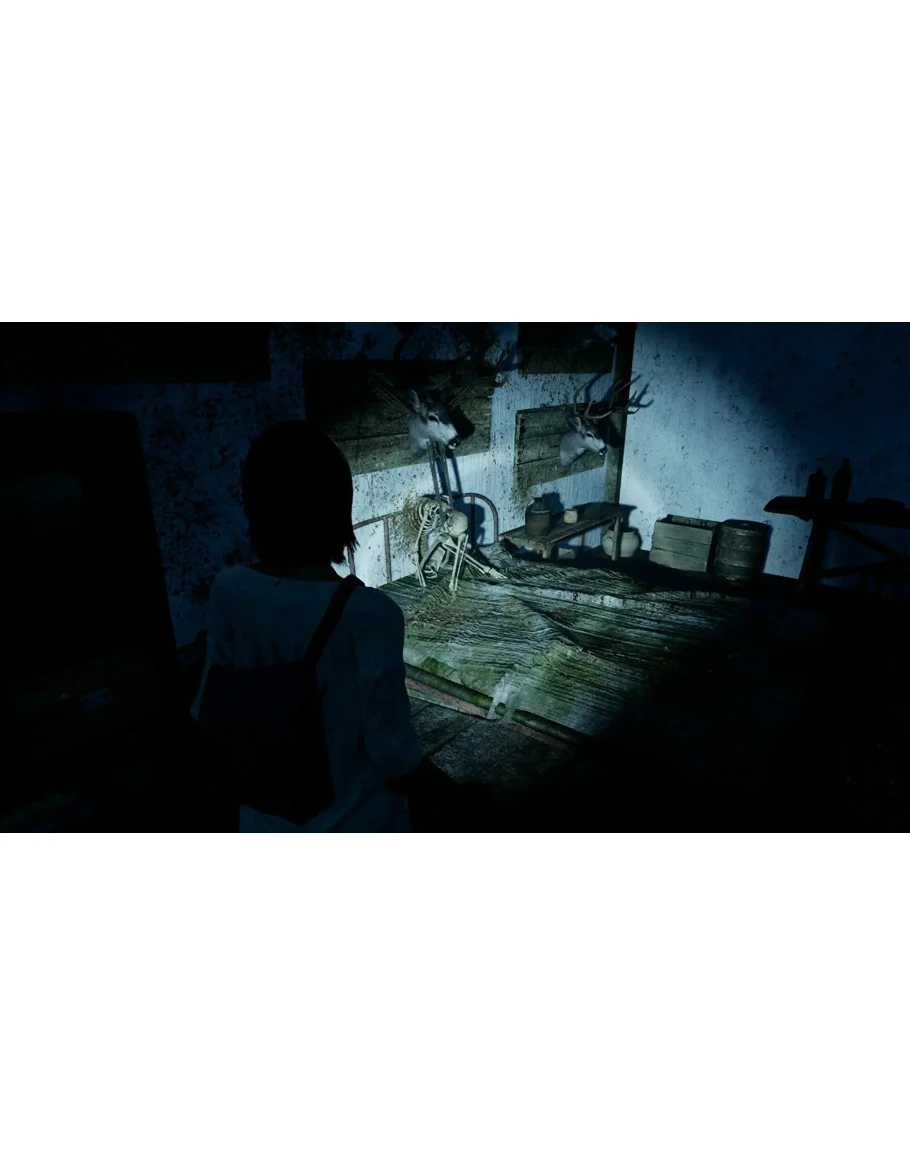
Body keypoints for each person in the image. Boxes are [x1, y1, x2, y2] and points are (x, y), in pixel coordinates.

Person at [190, 420, 425, 832]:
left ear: (254, 507)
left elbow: (205, 709)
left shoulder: (229, 588)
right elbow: (394, 758)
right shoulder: (370, 614)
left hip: (263, 823)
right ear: (338, 507)